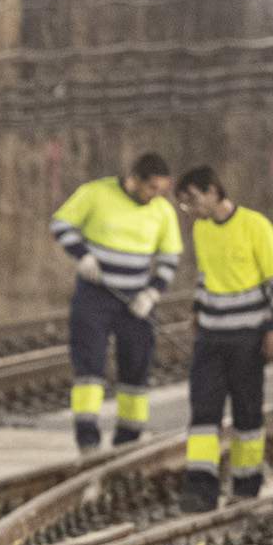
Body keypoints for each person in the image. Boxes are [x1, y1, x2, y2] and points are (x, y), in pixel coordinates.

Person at [175, 166, 273, 511]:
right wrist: (198, 309)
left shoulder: (256, 226)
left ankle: (246, 483)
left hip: (247, 337)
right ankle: (200, 488)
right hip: (210, 337)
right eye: (184, 205)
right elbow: (205, 275)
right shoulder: (201, 230)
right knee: (203, 413)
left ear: (213, 191)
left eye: (193, 200)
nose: (191, 210)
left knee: (247, 412)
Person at [49, 151, 182, 450]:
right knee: (89, 367)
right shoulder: (96, 194)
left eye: (162, 190)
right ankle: (88, 441)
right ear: (134, 180)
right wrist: (82, 257)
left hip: (136, 302)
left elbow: (169, 257)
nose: (157, 196)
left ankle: (127, 442)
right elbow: (61, 224)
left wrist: (152, 293)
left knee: (136, 370)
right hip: (94, 296)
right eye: (152, 189)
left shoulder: (162, 211)